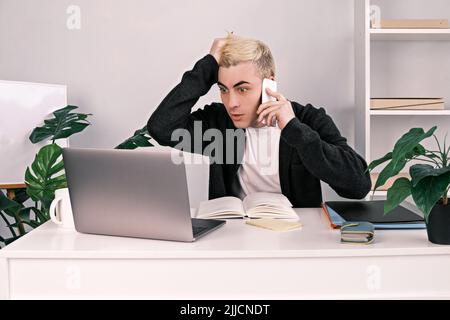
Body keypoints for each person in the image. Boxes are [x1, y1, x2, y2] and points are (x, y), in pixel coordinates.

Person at [147, 32, 371, 207]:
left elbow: (358, 186)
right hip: (234, 238)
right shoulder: (217, 121)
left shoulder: (307, 120)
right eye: (224, 89)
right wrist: (208, 65)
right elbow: (162, 127)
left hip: (297, 238)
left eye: (242, 89)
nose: (231, 102)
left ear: (269, 82)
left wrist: (294, 130)